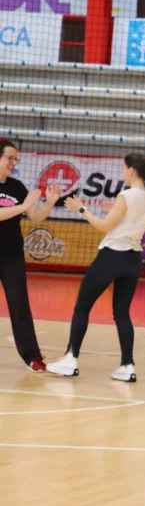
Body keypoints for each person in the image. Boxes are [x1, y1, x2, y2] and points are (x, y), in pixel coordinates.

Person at [46, 153, 145, 382]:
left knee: (82, 307)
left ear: (131, 171)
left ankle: (70, 359)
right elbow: (131, 220)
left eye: (124, 168)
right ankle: (127, 365)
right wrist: (114, 208)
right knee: (122, 314)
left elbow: (103, 226)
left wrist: (81, 209)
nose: (122, 172)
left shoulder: (126, 195)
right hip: (133, 259)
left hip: (111, 256)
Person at [0, 138, 61, 372]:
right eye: (9, 158)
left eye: (16, 159)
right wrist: (23, 207)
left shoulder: (17, 186)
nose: (13, 163)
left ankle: (32, 356)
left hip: (11, 257)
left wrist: (49, 203)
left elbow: (35, 216)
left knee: (20, 306)